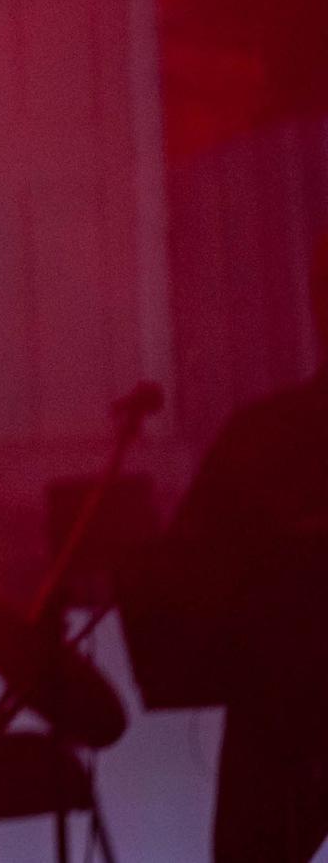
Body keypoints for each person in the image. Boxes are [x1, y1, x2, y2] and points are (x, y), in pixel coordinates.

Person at [161, 231, 328, 863]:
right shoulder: (263, 435)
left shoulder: (263, 433)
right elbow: (186, 562)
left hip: (276, 712)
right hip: (279, 715)